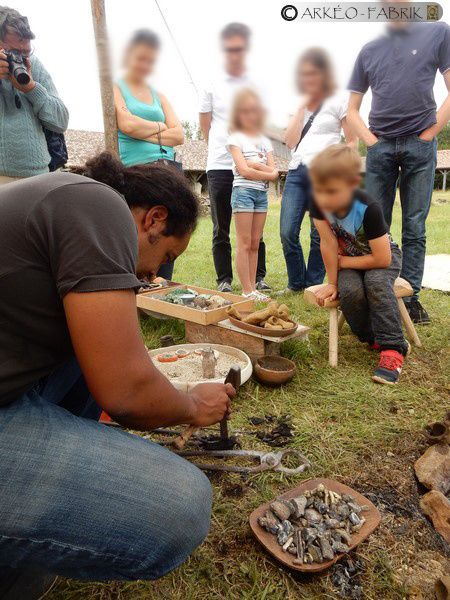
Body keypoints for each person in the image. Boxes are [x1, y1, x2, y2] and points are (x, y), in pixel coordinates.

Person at [0, 153, 236, 597]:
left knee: (80, 359)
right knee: (179, 506)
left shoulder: (57, 190)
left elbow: (115, 357)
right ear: (154, 218)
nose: (153, 275)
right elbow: (124, 392)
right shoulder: (100, 205)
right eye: (165, 257)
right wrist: (190, 406)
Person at [347, 15, 450, 324]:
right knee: (376, 225)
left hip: (420, 143)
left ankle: (412, 297)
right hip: (380, 146)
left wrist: (430, 134)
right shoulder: (369, 50)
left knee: (415, 225)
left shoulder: (437, 32)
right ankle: (376, 294)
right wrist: (371, 141)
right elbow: (351, 108)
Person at [310, 145, 409, 385]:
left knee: (375, 281)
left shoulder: (368, 209)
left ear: (353, 183)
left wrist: (343, 261)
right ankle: (372, 337)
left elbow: (382, 259)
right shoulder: (318, 204)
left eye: (332, 191)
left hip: (382, 256)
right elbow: (328, 243)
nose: (324, 198)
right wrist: (333, 281)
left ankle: (394, 347)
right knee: (350, 291)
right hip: (350, 260)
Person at [199, 22, 270, 294]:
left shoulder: (256, 85)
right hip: (220, 163)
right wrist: (228, 148)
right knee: (222, 227)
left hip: (252, 166)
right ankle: (224, 279)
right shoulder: (210, 83)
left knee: (254, 227)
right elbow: (205, 125)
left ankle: (258, 277)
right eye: (229, 49)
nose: (234, 53)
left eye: (239, 48)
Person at [280, 48, 357, 293]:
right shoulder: (300, 105)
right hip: (297, 171)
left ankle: (313, 283)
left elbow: (352, 142)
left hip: (323, 174)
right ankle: (296, 282)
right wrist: (302, 108)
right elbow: (290, 141)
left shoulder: (339, 100)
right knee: (287, 231)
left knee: (319, 233)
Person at [113, 29, 184, 280]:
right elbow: (126, 125)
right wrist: (161, 128)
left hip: (166, 169)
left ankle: (160, 285)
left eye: (150, 59)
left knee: (168, 229)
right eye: (141, 57)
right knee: (137, 231)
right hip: (136, 171)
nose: (145, 64)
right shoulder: (115, 87)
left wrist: (144, 128)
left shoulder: (159, 95)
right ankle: (132, 282)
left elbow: (180, 135)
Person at [0, 6, 69, 184]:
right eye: (15, 52)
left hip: (38, 176)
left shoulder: (34, 64)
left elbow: (61, 121)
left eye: (26, 52)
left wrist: (31, 88)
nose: (21, 59)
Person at [227, 89, 278, 301]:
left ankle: (254, 289)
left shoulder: (266, 141)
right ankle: (246, 290)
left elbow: (275, 173)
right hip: (243, 193)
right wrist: (261, 170)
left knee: (256, 243)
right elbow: (242, 170)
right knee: (244, 242)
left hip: (261, 195)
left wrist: (255, 164)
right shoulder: (235, 138)